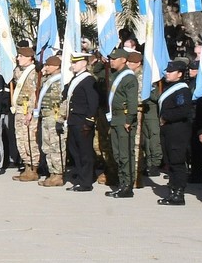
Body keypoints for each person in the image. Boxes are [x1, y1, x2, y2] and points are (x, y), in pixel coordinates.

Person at [155, 58, 193, 205]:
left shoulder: (182, 90)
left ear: (180, 74)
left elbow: (183, 110)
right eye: (167, 71)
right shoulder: (170, 87)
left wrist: (165, 117)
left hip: (177, 130)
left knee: (177, 162)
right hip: (168, 130)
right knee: (169, 161)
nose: (167, 73)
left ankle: (179, 193)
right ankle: (172, 190)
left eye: (171, 71)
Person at [63, 52, 100, 191]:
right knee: (75, 151)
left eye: (75, 62)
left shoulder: (88, 80)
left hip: (82, 121)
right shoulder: (75, 79)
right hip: (73, 120)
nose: (72, 65)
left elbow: (93, 102)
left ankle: (86, 182)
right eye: (72, 62)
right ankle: (80, 177)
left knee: (85, 152)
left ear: (84, 63)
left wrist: (89, 121)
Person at [106, 48, 140, 198]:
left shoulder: (128, 77)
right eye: (111, 59)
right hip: (115, 118)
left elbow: (132, 101)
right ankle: (121, 183)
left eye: (114, 59)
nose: (111, 61)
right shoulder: (115, 75)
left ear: (123, 60)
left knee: (125, 154)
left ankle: (127, 186)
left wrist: (129, 120)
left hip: (124, 119)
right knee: (118, 154)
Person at [36, 55, 67, 188]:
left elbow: (64, 100)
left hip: (55, 117)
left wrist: (61, 117)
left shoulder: (61, 80)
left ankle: (58, 174)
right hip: (46, 116)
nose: (46, 67)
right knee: (47, 146)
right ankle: (52, 172)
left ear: (56, 66)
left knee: (57, 146)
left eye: (48, 65)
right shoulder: (47, 79)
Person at [11, 43, 41, 181]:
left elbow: (35, 93)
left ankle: (34, 169)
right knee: (20, 139)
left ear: (29, 58)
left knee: (30, 139)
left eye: (21, 56)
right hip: (19, 109)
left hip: (28, 110)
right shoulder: (18, 70)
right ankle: (26, 166)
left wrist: (31, 111)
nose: (18, 58)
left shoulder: (34, 72)